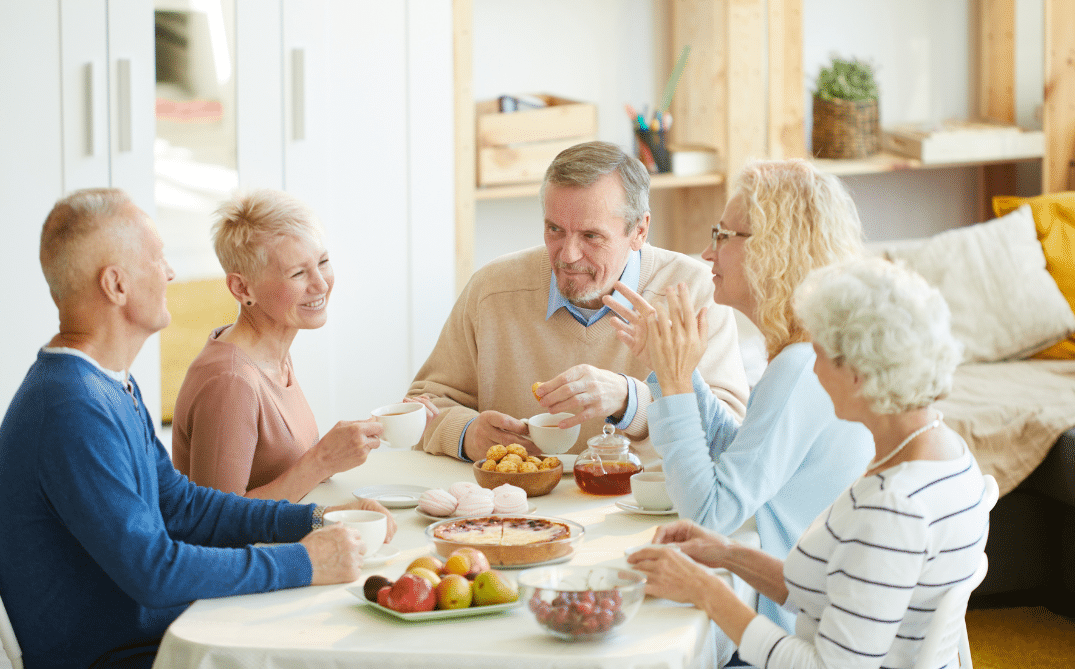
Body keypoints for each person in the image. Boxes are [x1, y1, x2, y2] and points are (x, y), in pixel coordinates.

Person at [0, 188, 393, 669]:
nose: (170, 272)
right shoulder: (70, 409)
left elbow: (183, 506)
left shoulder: (105, 384)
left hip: (165, 634)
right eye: (157, 258)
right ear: (116, 285)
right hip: (130, 656)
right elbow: (155, 571)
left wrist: (311, 520)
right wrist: (305, 561)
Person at [627, 257, 989, 669]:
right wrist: (727, 553)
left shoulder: (893, 508)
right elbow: (849, 594)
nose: (810, 369)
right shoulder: (947, 453)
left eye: (816, 354)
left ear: (856, 373)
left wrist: (707, 593)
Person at [604, 159, 875, 657]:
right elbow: (743, 464)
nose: (708, 251)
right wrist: (672, 371)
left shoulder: (802, 366)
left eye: (724, 234)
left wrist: (677, 380)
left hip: (784, 636)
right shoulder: (809, 354)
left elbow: (712, 512)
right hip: (798, 609)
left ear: (775, 247)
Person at [409, 141, 750, 462]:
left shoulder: (695, 292)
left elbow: (731, 439)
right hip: (516, 510)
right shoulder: (493, 289)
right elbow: (422, 405)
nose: (568, 255)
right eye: (555, 230)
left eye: (591, 236)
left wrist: (631, 401)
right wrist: (469, 434)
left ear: (639, 231)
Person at [172, 188, 436, 501]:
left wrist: (380, 427)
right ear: (242, 287)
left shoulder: (271, 355)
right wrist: (322, 459)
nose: (321, 284)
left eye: (323, 262)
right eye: (298, 273)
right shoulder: (230, 382)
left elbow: (281, 470)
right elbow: (215, 526)